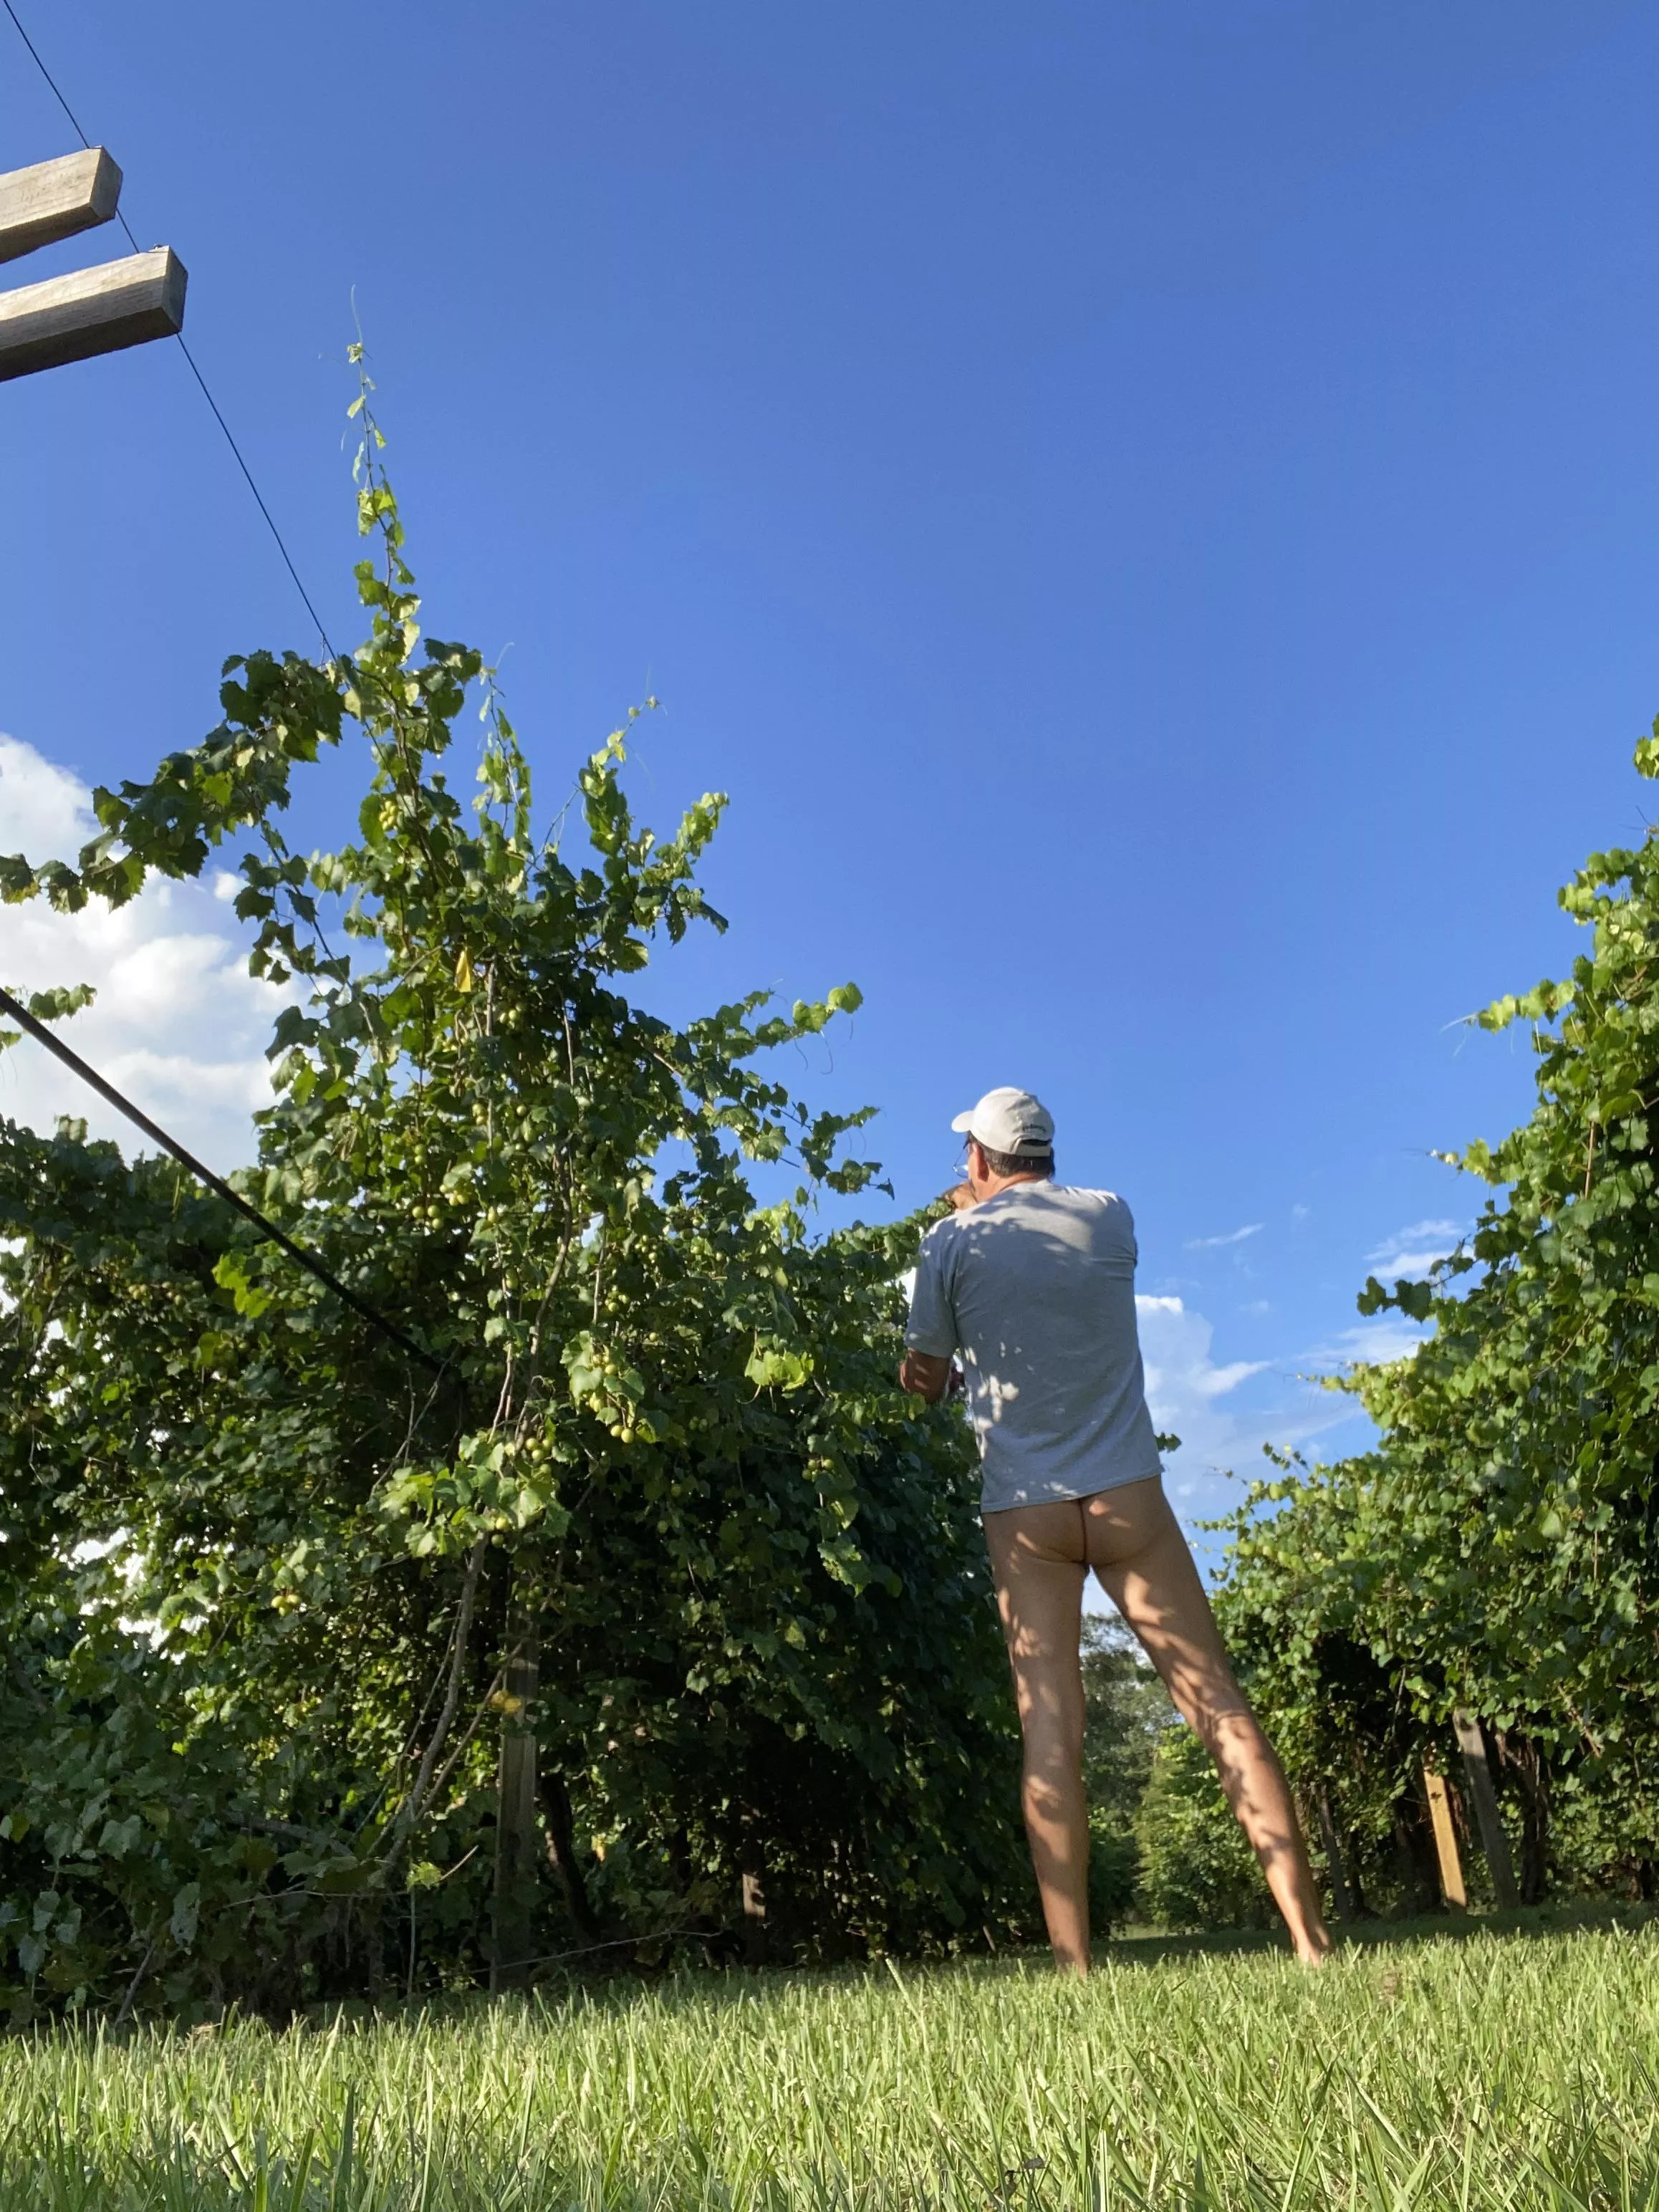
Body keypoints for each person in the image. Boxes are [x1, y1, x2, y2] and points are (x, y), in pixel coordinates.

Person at [900, 1086, 1332, 1974]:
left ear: (978, 1160)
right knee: (1215, 1701)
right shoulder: (1111, 1216)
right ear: (1046, 1153)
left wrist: (957, 1248)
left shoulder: (949, 1243)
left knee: (1051, 1726)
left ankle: (1075, 1968)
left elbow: (923, 1377)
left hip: (1027, 1510)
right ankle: (1311, 1942)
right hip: (1127, 1493)